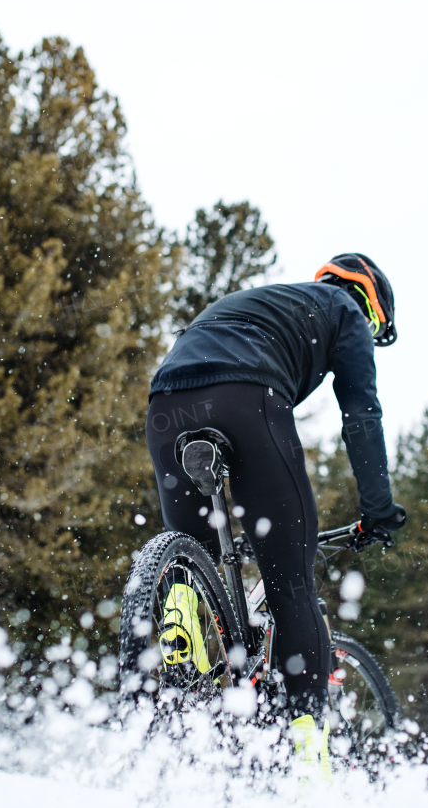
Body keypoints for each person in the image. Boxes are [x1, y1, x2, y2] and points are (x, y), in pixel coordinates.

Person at [145, 253, 407, 773]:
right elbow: (361, 414)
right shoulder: (345, 310)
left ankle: (181, 608)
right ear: (373, 303)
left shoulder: (270, 301)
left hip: (166, 403)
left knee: (195, 551)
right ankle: (309, 747)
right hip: (245, 397)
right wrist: (378, 511)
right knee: (290, 584)